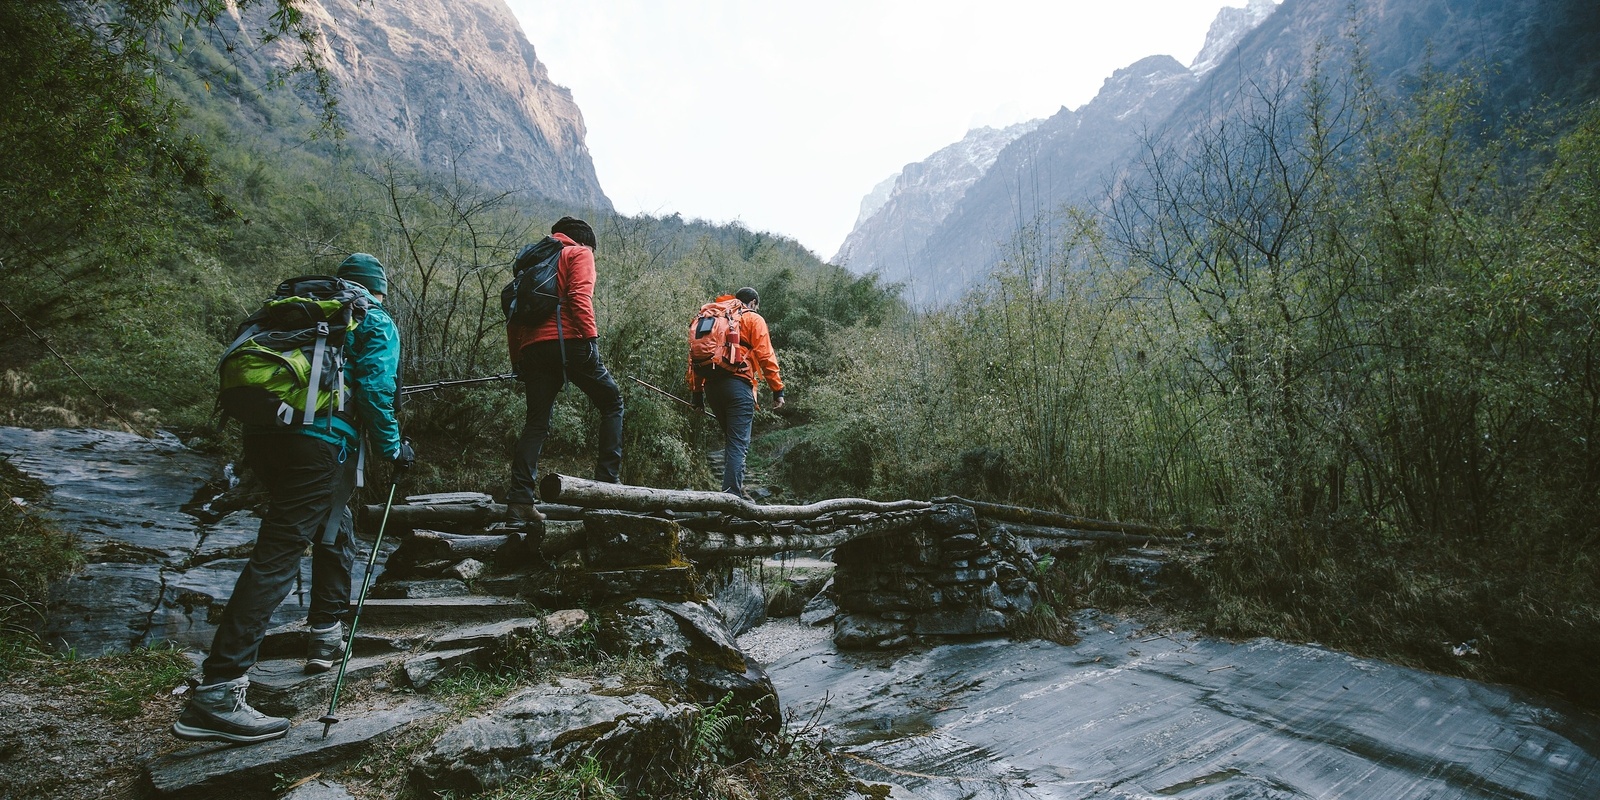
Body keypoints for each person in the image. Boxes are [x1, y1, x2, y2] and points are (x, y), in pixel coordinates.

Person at [173, 253, 413, 744]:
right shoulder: (373, 317)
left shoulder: (298, 309)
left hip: (266, 437)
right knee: (279, 555)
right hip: (318, 444)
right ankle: (217, 693)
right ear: (377, 290)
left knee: (334, 523)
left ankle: (325, 631)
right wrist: (393, 447)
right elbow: (374, 388)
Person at [507, 217, 624, 522]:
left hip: (532, 348)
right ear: (584, 242)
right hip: (570, 341)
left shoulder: (532, 262)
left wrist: (517, 359)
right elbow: (579, 297)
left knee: (536, 423)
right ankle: (606, 487)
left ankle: (519, 502)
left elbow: (514, 316)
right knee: (612, 403)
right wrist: (590, 339)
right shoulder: (578, 253)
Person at [689, 287, 784, 498]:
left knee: (733, 442)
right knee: (738, 445)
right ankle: (731, 499)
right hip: (738, 387)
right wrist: (778, 390)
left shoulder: (711, 318)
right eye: (756, 306)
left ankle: (736, 490)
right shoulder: (752, 318)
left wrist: (697, 396)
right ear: (752, 303)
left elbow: (694, 359)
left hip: (711, 388)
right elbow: (766, 356)